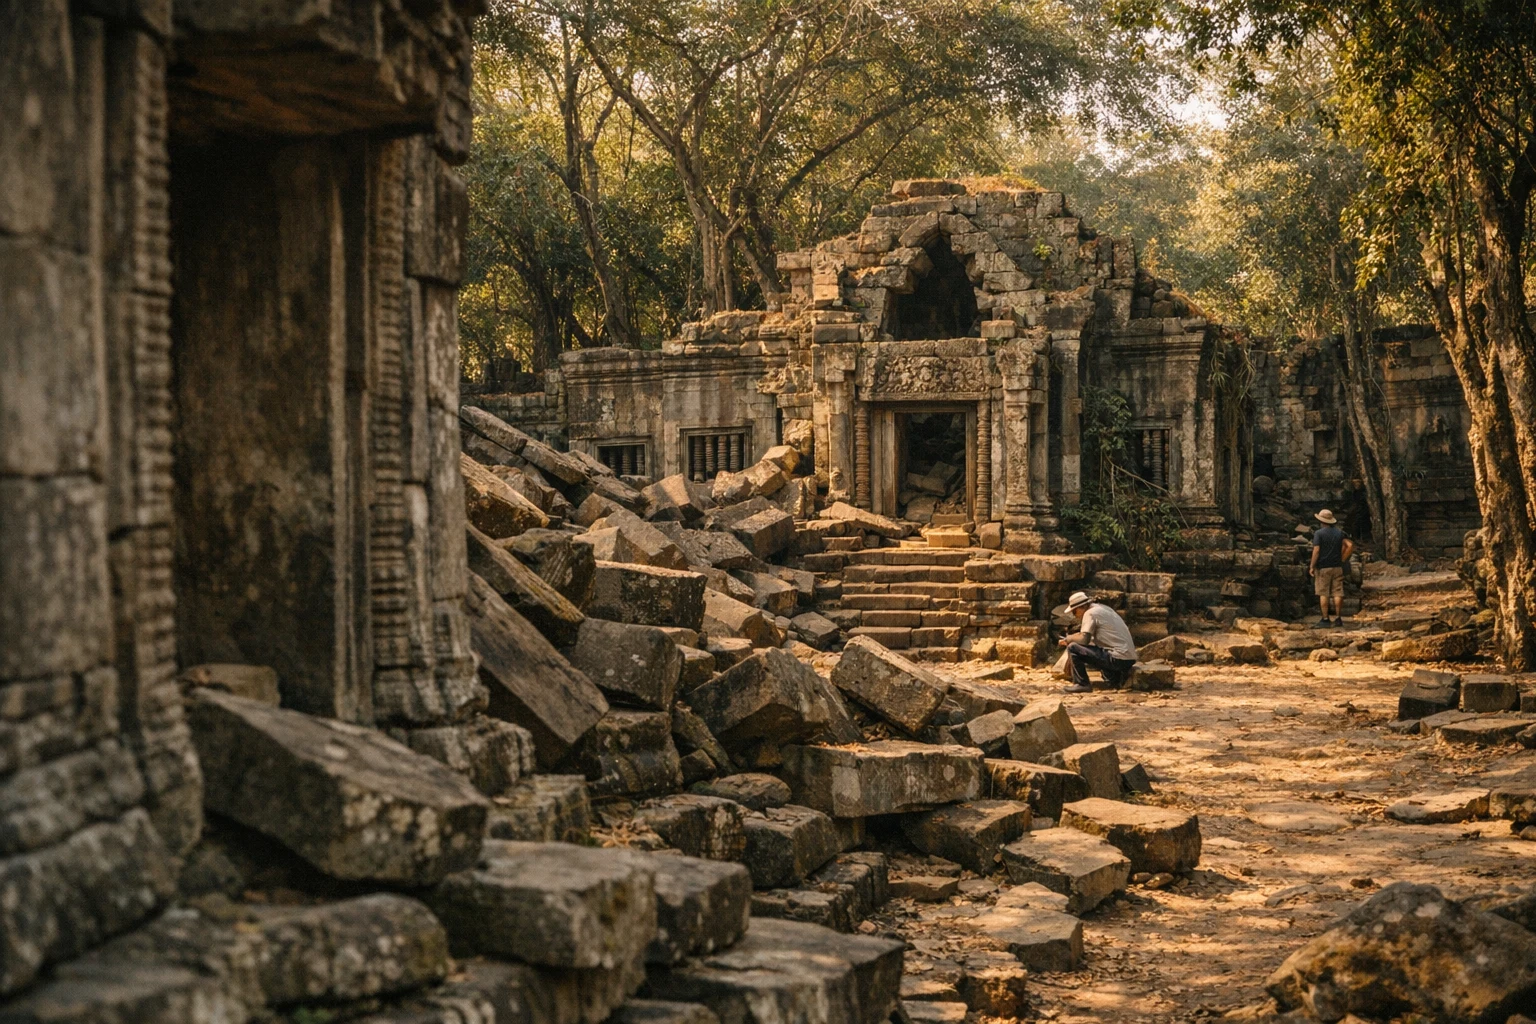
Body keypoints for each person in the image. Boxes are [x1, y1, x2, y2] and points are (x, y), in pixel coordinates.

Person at [1059, 590, 1138, 694]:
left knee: (1073, 647)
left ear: (1081, 607)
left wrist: (1068, 639)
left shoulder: (1090, 613)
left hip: (1117, 658)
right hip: (1128, 659)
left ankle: (1082, 684)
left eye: (1074, 611)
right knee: (1092, 650)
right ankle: (1114, 679)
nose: (1074, 615)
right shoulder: (1103, 608)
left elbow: (1084, 639)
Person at [1309, 508, 1353, 627]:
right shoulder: (1339, 533)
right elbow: (1349, 545)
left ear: (1321, 521)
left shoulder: (1319, 533)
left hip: (1323, 567)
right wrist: (1343, 559)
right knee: (1338, 592)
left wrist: (1312, 566)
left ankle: (1325, 619)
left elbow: (1316, 551)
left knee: (1324, 593)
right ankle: (1338, 618)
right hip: (1337, 566)